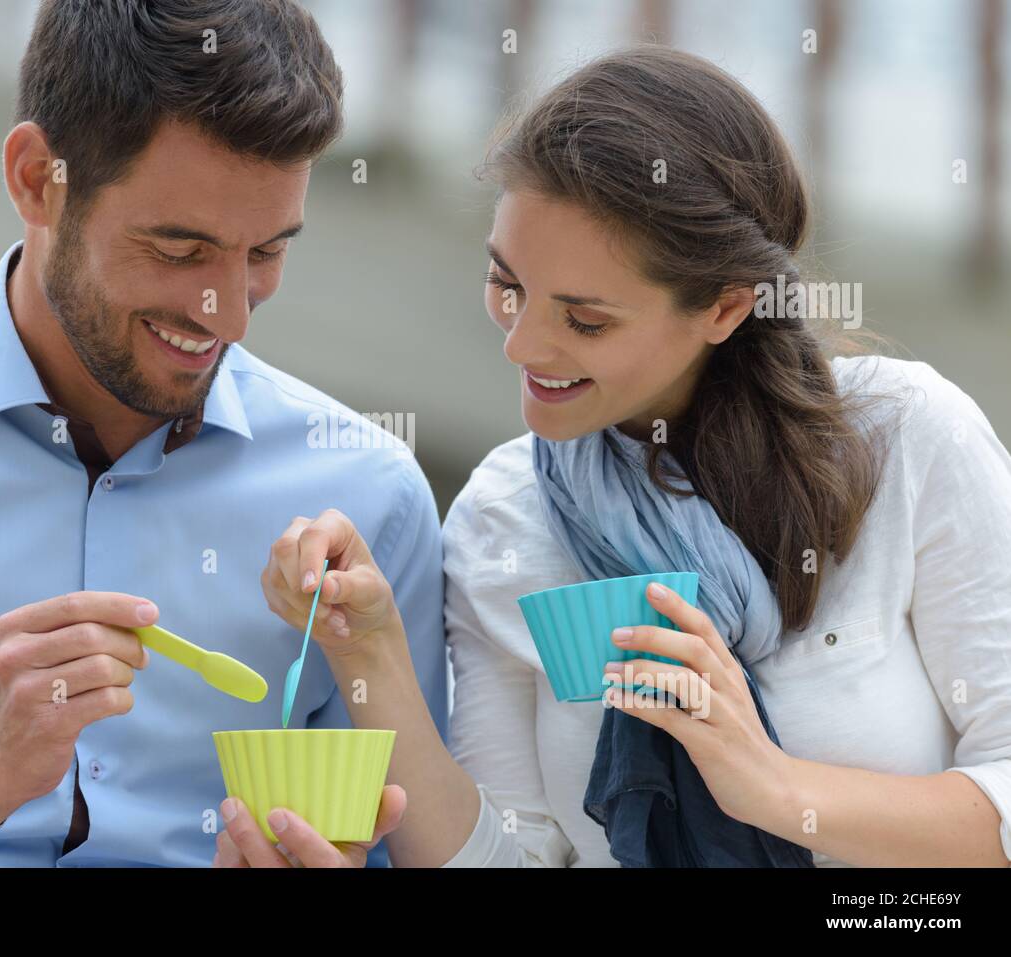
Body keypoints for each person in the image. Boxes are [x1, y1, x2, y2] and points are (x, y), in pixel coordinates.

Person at [219, 47, 1011, 868]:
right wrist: (369, 646)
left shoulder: (906, 438)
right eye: (506, 283)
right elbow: (517, 856)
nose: (522, 345)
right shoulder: (504, 512)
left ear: (725, 308)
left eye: (586, 320)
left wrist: (773, 787)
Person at [0, 0, 446, 867]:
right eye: (179, 250)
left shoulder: (369, 500)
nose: (232, 317)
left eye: (267, 253)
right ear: (37, 179)